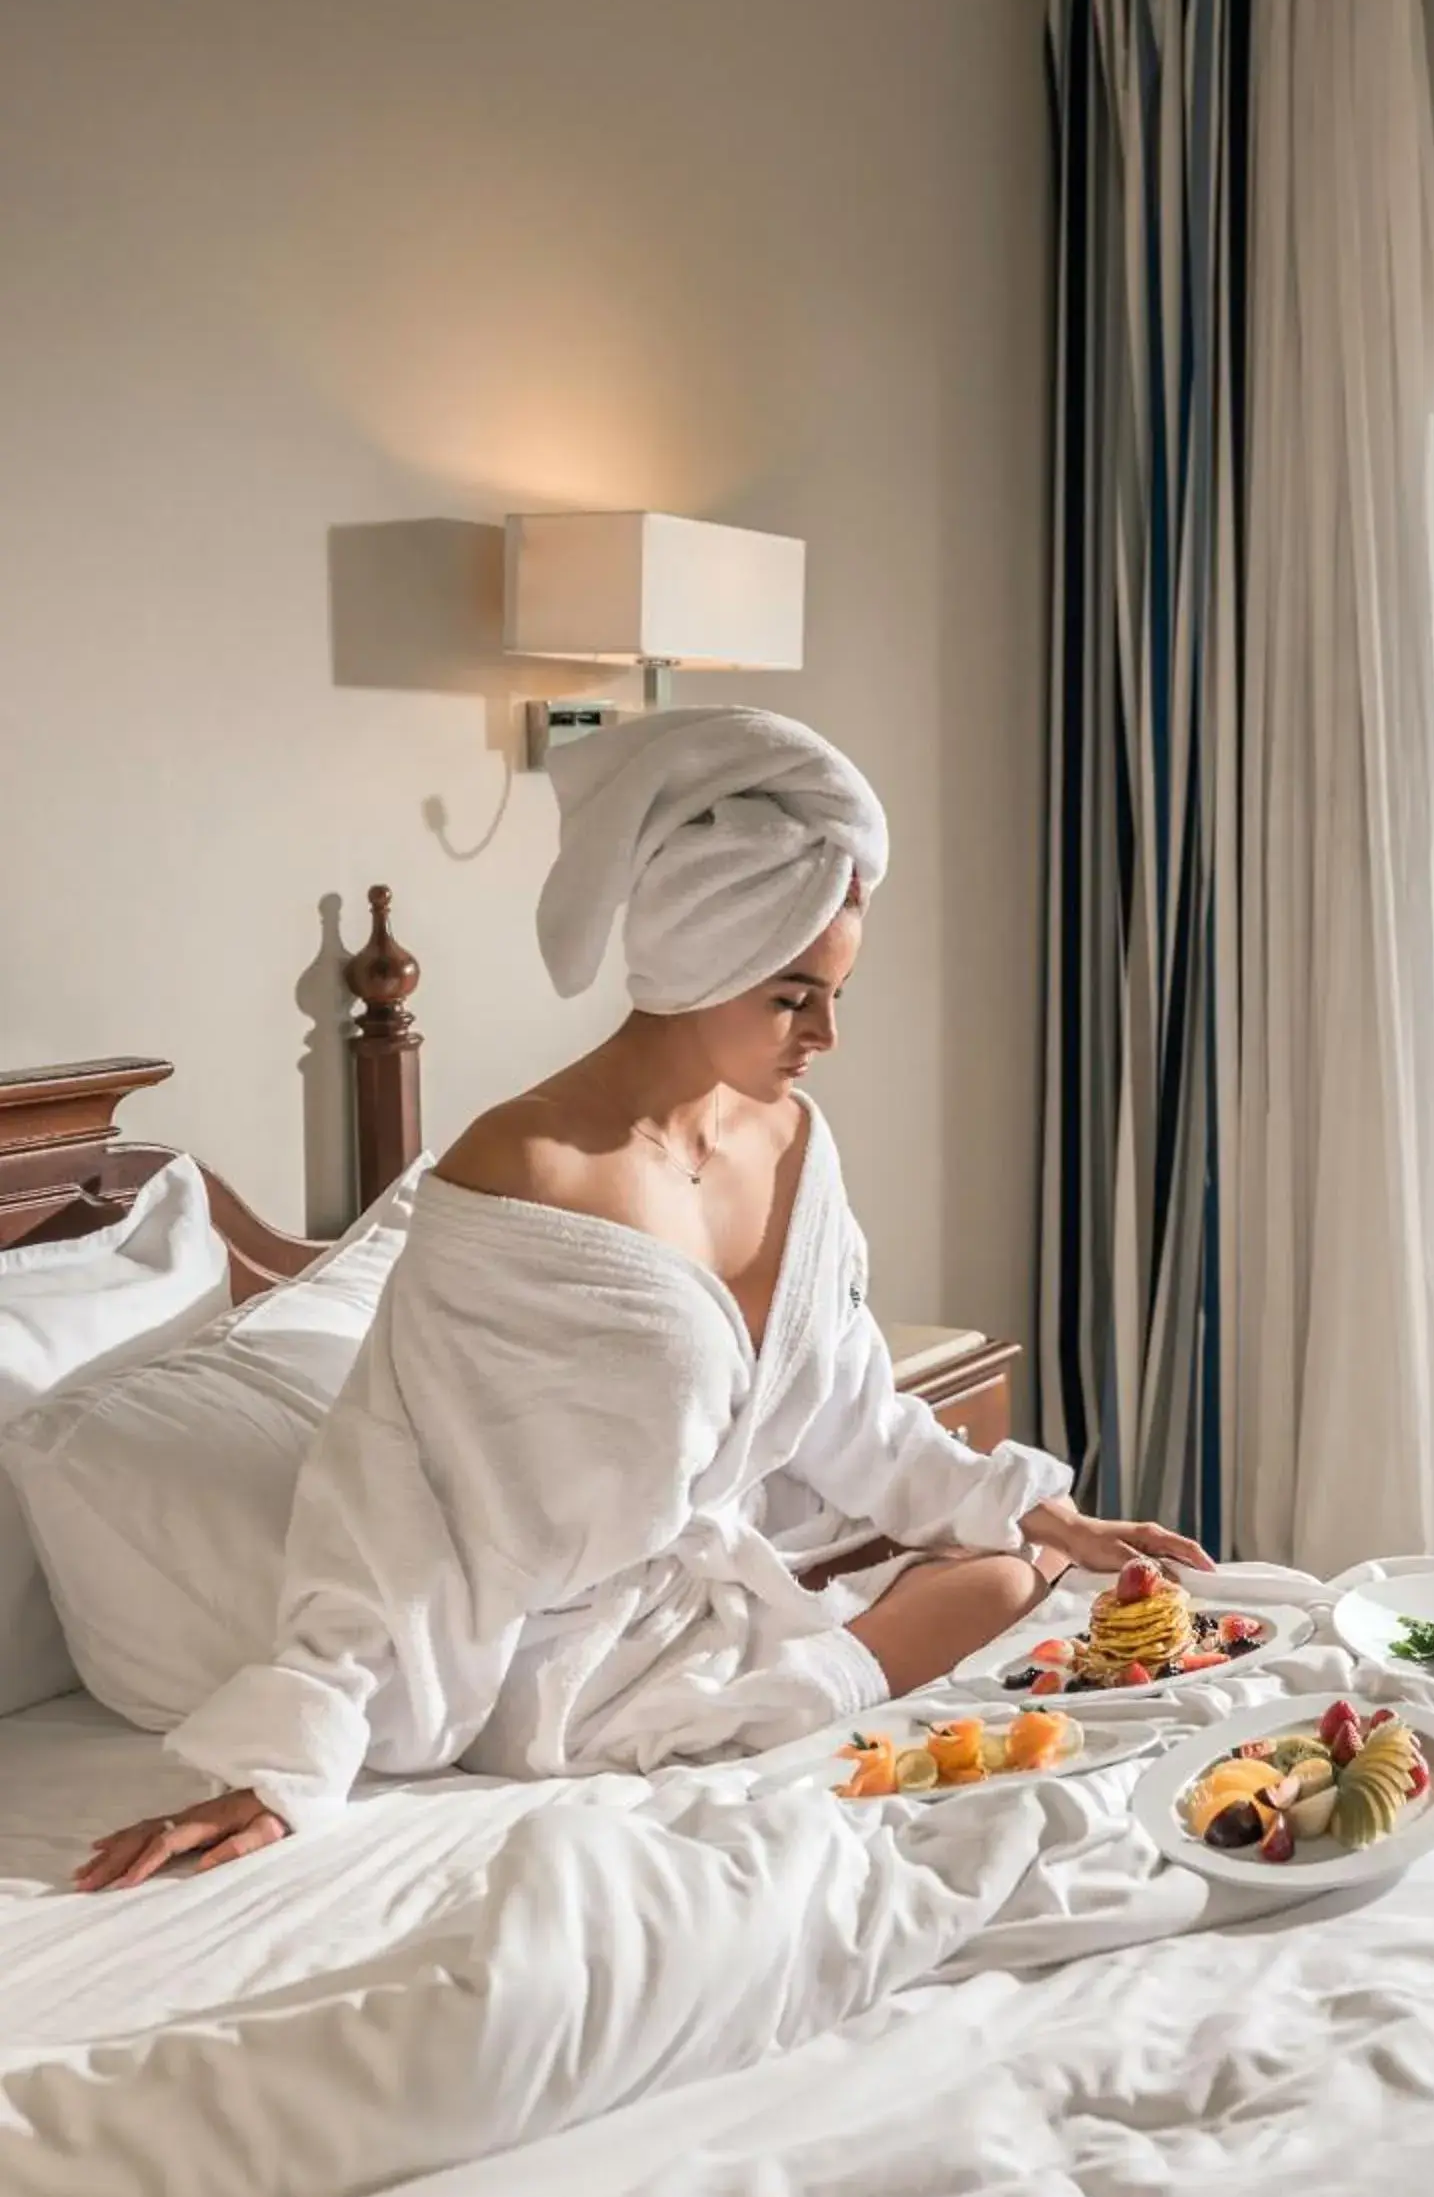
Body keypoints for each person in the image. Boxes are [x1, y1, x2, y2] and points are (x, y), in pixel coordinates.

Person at [79, 708, 1202, 1891]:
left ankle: (794, 1715)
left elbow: (848, 1413)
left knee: (1010, 1575)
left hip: (724, 1614)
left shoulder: (790, 1137)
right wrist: (287, 1761)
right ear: (698, 956)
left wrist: (1037, 1514)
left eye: (836, 992)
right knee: (980, 1616)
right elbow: (396, 1488)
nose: (827, 1034)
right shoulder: (523, 1174)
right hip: (572, 1669)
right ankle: (784, 1729)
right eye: (792, 996)